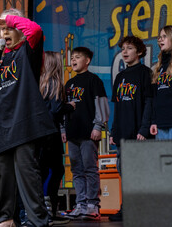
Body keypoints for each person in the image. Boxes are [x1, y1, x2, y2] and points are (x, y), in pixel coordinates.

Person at [0, 9, 56, 227]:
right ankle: (7, 218)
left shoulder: (28, 50)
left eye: (9, 28)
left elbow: (35, 30)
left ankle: (38, 220)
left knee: (27, 173)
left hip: (24, 122)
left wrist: (10, 18)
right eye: (2, 29)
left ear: (18, 29)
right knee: (3, 175)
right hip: (2, 124)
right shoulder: (0, 57)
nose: (4, 32)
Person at [108, 36, 153, 222]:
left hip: (138, 132)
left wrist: (143, 129)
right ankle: (127, 206)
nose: (125, 52)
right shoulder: (119, 77)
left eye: (129, 48)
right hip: (122, 132)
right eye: (123, 49)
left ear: (140, 52)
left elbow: (149, 103)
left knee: (139, 171)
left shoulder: (145, 73)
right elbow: (117, 106)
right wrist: (113, 130)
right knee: (123, 171)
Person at [63, 47, 109, 221]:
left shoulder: (94, 80)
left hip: (89, 133)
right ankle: (80, 204)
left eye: (77, 57)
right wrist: (63, 130)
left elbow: (103, 106)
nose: (73, 60)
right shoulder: (69, 84)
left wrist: (98, 126)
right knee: (76, 170)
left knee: (90, 168)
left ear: (87, 60)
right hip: (72, 133)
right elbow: (63, 109)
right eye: (72, 58)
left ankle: (92, 205)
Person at [39, 51, 74, 225]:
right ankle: (49, 208)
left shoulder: (39, 83)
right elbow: (55, 110)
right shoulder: (55, 83)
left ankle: (47, 209)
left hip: (39, 134)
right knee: (56, 170)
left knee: (43, 170)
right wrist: (69, 106)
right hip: (50, 134)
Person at [150, 26, 172, 139]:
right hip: (161, 124)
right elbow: (156, 97)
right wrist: (154, 121)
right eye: (159, 37)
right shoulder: (159, 67)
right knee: (164, 156)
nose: (160, 40)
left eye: (164, 36)